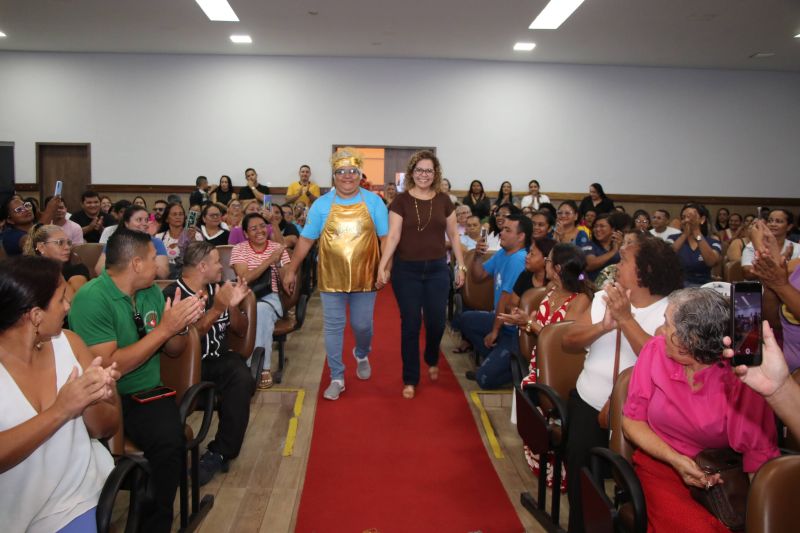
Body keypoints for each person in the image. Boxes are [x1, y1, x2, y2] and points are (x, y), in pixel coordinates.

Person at [69, 228, 206, 533]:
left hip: (150, 394)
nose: (159, 264)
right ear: (135, 264)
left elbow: (174, 350)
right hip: (108, 397)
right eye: (152, 257)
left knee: (168, 442)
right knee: (166, 444)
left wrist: (180, 327)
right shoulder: (92, 298)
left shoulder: (151, 293)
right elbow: (108, 366)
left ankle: (152, 524)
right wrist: (163, 330)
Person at [622, 288, 779, 532]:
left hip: (719, 474)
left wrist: (757, 519)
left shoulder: (741, 377)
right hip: (661, 464)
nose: (660, 331)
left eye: (667, 325)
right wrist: (676, 460)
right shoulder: (655, 351)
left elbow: (757, 453)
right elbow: (632, 422)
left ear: (688, 342)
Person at [562, 233, 684, 533]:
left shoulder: (671, 311)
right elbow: (568, 341)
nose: (617, 263)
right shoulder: (605, 297)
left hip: (640, 419)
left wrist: (625, 320)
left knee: (634, 487)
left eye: (625, 259)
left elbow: (659, 361)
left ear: (647, 270)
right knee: (581, 480)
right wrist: (602, 327)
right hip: (589, 402)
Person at [0, 255, 119, 533]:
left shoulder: (71, 343)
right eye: (61, 299)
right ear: (35, 316)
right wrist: (61, 410)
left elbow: (107, 427)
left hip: (75, 498)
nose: (68, 306)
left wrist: (92, 398)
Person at [282, 147, 389, 401]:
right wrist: (291, 269)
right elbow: (306, 240)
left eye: (352, 171)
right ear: (334, 175)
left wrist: (385, 267)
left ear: (360, 173)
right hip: (331, 276)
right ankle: (337, 377)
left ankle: (361, 352)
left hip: (366, 277)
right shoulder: (321, 205)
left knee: (362, 325)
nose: (347, 176)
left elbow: (386, 239)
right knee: (333, 327)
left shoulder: (373, 202)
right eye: (341, 171)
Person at [499, 243, 591, 486]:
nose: (546, 264)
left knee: (534, 395)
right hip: (537, 363)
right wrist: (523, 321)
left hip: (559, 370)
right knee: (528, 396)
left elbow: (560, 341)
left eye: (549, 261)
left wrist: (529, 324)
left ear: (558, 268)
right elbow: (539, 328)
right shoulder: (551, 291)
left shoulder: (580, 300)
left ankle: (557, 465)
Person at [163, 242, 254, 485]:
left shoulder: (218, 290)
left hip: (218, 362)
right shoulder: (174, 295)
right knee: (238, 373)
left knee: (241, 374)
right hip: (184, 366)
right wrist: (216, 310)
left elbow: (242, 330)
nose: (221, 267)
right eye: (216, 262)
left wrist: (232, 307)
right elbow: (185, 341)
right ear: (202, 266)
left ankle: (220, 452)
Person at [377, 150, 466, 399]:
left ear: (435, 173)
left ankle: (431, 355)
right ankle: (410, 378)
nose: (424, 175)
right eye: (419, 170)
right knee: (411, 324)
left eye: (428, 170)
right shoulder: (401, 201)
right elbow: (393, 236)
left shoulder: (444, 200)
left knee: (437, 322)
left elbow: (454, 235)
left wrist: (461, 265)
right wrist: (383, 265)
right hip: (407, 271)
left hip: (438, 269)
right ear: (412, 173)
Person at [452, 214, 530, 389]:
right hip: (499, 319)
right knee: (464, 320)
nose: (501, 233)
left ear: (521, 236)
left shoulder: (518, 260)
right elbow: (479, 277)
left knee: (484, 380)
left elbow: (505, 300)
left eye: (507, 230)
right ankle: (496, 358)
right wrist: (478, 256)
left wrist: (494, 330)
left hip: (514, 330)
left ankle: (514, 367)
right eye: (502, 229)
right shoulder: (503, 253)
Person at [230, 213, 291, 390]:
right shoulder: (239, 249)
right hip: (244, 297)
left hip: (271, 298)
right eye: (254, 228)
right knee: (255, 308)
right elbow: (245, 279)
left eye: (263, 226)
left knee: (261, 310)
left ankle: (260, 367)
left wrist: (279, 263)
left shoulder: (278, 248)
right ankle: (250, 364)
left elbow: (287, 281)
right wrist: (269, 260)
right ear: (246, 233)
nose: (260, 231)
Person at [95, 205, 169, 279]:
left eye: (146, 220)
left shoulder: (156, 242)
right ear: (126, 223)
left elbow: (163, 274)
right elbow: (99, 270)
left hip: (148, 285)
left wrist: (145, 244)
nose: (144, 224)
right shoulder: (115, 241)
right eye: (139, 220)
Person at [25, 224, 90, 302]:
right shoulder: (29, 273)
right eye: (60, 242)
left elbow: (76, 304)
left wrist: (56, 271)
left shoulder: (77, 269)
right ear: (41, 247)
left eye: (68, 242)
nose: (67, 247)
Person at [668, 203, 722, 287]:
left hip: (704, 286)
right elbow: (667, 256)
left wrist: (696, 231)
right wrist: (685, 234)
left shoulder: (713, 242)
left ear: (702, 219)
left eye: (691, 217)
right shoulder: (672, 238)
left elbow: (711, 262)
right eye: (683, 217)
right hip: (678, 285)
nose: (686, 220)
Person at [742, 209, 800, 276]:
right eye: (770, 221)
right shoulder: (753, 245)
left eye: (778, 221)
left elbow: (797, 277)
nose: (773, 224)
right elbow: (748, 273)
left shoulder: (797, 248)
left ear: (789, 227)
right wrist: (782, 258)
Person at [155, 202, 203, 278]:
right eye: (174, 214)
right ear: (167, 219)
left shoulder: (196, 235)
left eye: (181, 214)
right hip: (165, 276)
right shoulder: (159, 238)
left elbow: (200, 258)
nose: (178, 217)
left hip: (189, 276)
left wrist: (193, 239)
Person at [582, 213, 623, 282]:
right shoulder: (588, 245)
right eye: (595, 226)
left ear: (612, 229)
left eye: (602, 226)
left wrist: (623, 247)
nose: (597, 229)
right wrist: (613, 251)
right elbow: (589, 264)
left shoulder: (620, 244)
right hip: (593, 289)